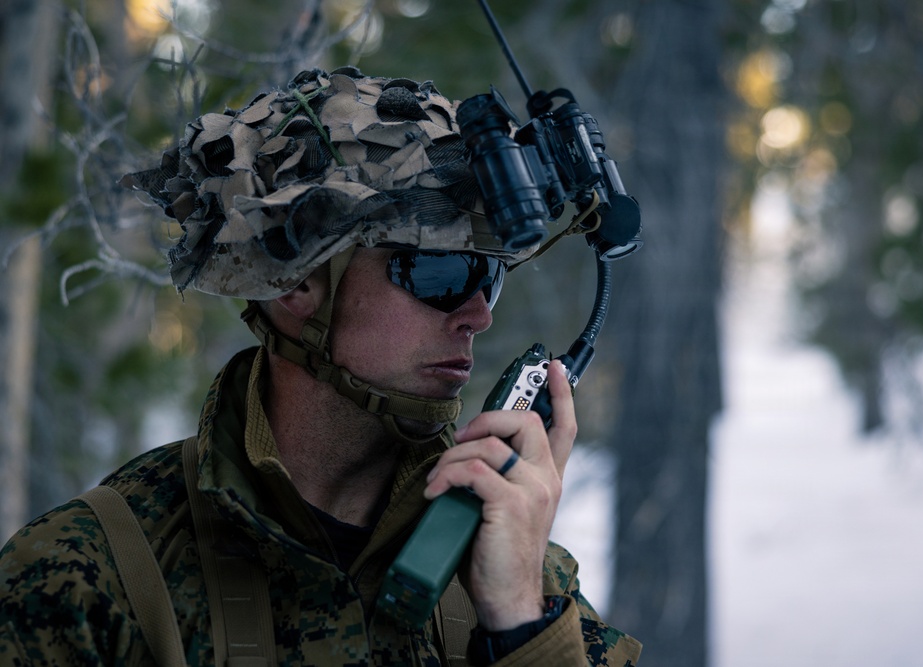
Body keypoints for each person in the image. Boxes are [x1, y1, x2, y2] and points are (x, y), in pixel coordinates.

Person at [0, 67, 642, 666]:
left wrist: (522, 627)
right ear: (297, 279)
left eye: (491, 278)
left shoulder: (519, 567)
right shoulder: (91, 573)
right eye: (440, 271)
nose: (478, 314)